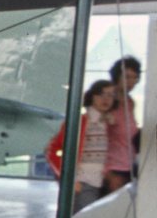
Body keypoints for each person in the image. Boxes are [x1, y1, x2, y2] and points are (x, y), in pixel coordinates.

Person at [46, 80, 116, 210]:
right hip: (83, 183)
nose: (106, 99)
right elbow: (52, 150)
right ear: (92, 96)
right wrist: (69, 179)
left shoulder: (108, 123)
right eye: (101, 94)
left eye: (110, 95)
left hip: (101, 183)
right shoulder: (81, 121)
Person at [109, 56, 141, 174]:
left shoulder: (130, 102)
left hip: (127, 164)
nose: (131, 82)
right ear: (117, 76)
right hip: (111, 167)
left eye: (135, 78)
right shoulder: (107, 99)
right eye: (127, 77)